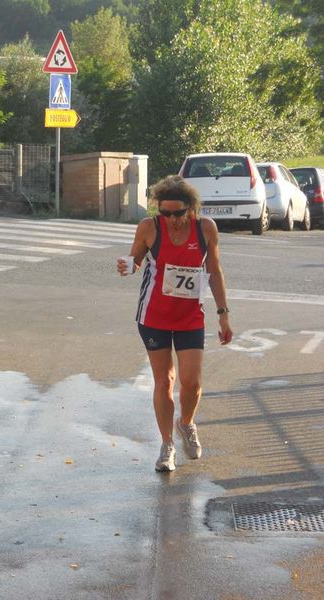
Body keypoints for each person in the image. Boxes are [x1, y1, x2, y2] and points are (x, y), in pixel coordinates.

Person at [117, 174, 233, 472]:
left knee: (191, 382)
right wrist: (127, 266)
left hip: (190, 315)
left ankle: (187, 422)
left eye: (178, 213)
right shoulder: (148, 228)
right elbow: (135, 261)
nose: (171, 219)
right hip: (153, 315)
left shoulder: (205, 228)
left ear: (190, 209)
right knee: (164, 381)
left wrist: (223, 313)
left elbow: (215, 271)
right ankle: (167, 444)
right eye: (165, 213)